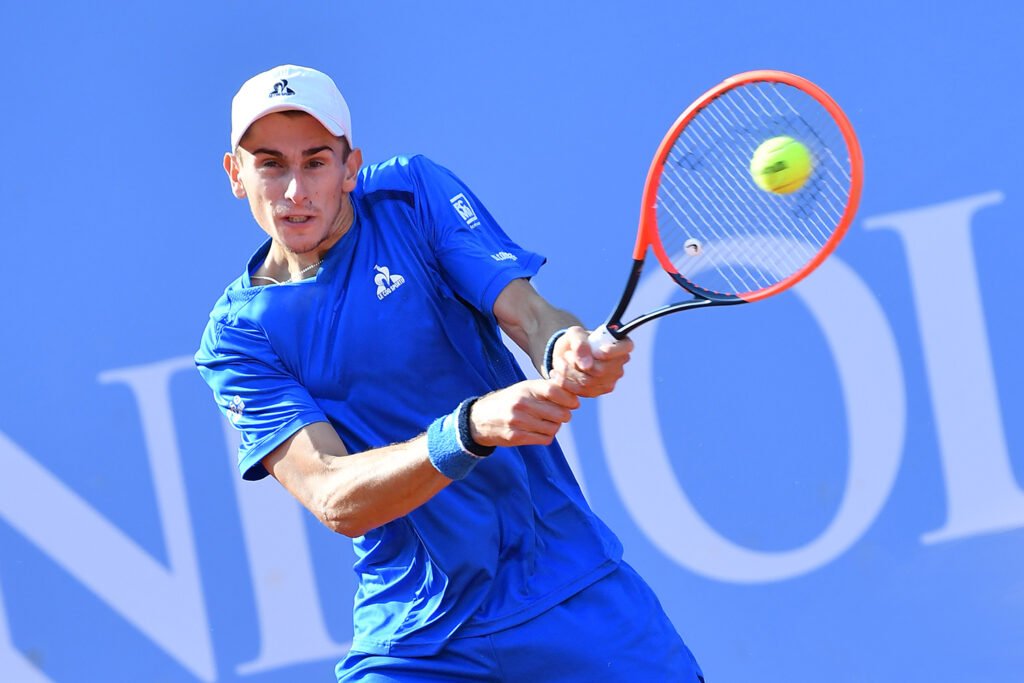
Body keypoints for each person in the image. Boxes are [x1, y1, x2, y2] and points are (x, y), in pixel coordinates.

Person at [195, 64, 703, 682]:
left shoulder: (410, 196)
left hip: (569, 592)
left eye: (317, 162)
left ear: (351, 167)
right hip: (417, 642)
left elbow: (529, 314)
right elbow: (333, 497)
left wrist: (565, 345)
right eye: (271, 164)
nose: (295, 191)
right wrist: (468, 429)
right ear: (235, 174)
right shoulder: (239, 336)